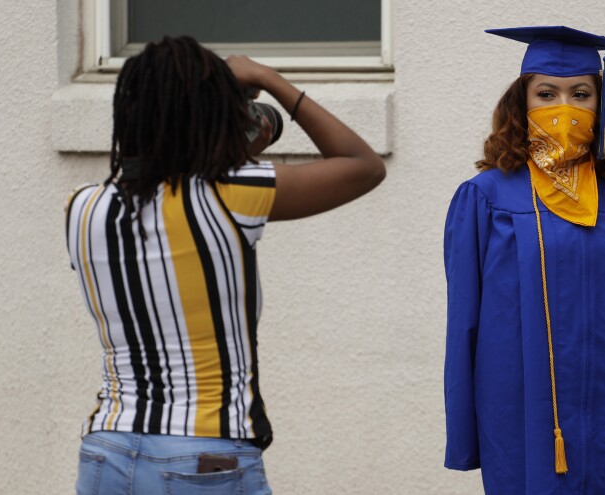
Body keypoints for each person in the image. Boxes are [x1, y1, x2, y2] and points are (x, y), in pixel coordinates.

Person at [65, 36, 385, 494]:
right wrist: (267, 80)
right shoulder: (233, 194)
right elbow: (363, 165)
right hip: (204, 455)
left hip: (107, 450)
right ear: (209, 116)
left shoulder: (82, 208)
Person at [443, 26, 605, 494]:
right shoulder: (486, 199)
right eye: (546, 93)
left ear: (601, 108)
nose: (564, 107)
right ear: (522, 105)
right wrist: (465, 437)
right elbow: (464, 322)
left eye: (580, 93)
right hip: (522, 408)